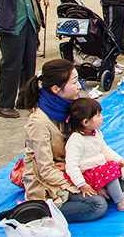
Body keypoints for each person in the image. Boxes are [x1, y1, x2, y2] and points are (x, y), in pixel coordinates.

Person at [20, 60, 109, 221]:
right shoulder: (39, 122)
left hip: (72, 169)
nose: (79, 86)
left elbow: (91, 142)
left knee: (118, 184)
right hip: (50, 184)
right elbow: (45, 171)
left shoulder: (69, 108)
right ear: (56, 89)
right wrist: (80, 184)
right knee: (98, 205)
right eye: (74, 82)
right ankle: (41, 212)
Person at [64, 98, 124, 212]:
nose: (102, 117)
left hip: (97, 171)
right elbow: (71, 166)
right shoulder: (76, 140)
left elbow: (105, 150)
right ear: (86, 122)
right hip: (87, 174)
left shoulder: (96, 133)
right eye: (98, 116)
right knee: (110, 169)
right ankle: (121, 203)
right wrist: (82, 185)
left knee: (118, 167)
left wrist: (119, 160)